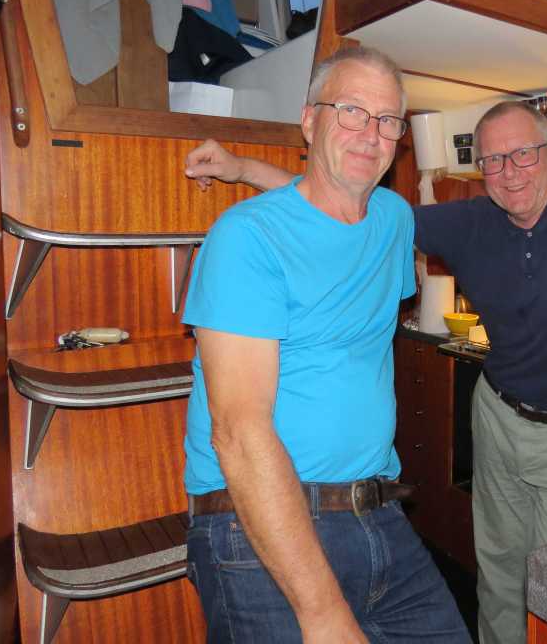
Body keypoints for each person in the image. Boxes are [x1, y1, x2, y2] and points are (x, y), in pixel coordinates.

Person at [184, 100, 547, 644]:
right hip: (500, 421)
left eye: (524, 154)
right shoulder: (469, 222)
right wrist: (242, 169)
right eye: (493, 161)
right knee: (499, 576)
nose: (510, 173)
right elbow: (339, 203)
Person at [181, 46, 471, 643]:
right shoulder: (245, 239)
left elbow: (329, 195)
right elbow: (238, 433)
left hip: (380, 514)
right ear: (309, 121)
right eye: (352, 111)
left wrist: (243, 166)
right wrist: (321, 613)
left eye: (387, 120)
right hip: (258, 520)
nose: (371, 133)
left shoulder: (393, 219)